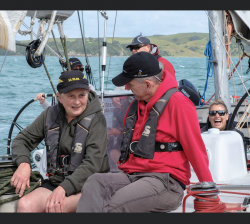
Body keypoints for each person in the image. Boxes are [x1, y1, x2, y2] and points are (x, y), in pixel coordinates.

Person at [76, 52, 215, 213]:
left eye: (130, 83)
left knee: (111, 208)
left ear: (148, 84)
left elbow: (195, 150)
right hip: (132, 175)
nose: (126, 87)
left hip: (165, 181)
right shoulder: (136, 104)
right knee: (95, 182)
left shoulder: (179, 104)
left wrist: (211, 196)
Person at [11, 70, 109, 213]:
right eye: (71, 96)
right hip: (57, 183)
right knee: (25, 205)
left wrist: (64, 188)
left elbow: (93, 164)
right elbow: (22, 140)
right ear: (60, 97)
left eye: (82, 95)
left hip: (89, 186)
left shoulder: (97, 119)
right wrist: (24, 164)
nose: (77, 102)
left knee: (56, 207)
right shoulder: (50, 114)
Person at [201, 99, 248, 164]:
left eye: (221, 113)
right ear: (209, 117)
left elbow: (243, 162)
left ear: (227, 116)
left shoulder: (237, 136)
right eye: (212, 113)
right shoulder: (201, 135)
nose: (217, 116)